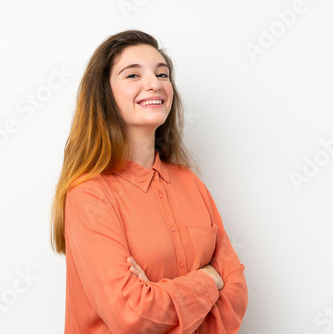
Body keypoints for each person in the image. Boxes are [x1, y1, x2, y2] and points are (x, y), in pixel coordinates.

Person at [50, 29, 248, 334]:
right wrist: (209, 279)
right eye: (132, 75)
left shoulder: (190, 183)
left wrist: (161, 299)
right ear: (105, 94)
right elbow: (134, 317)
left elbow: (236, 298)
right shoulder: (89, 195)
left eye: (163, 74)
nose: (154, 83)